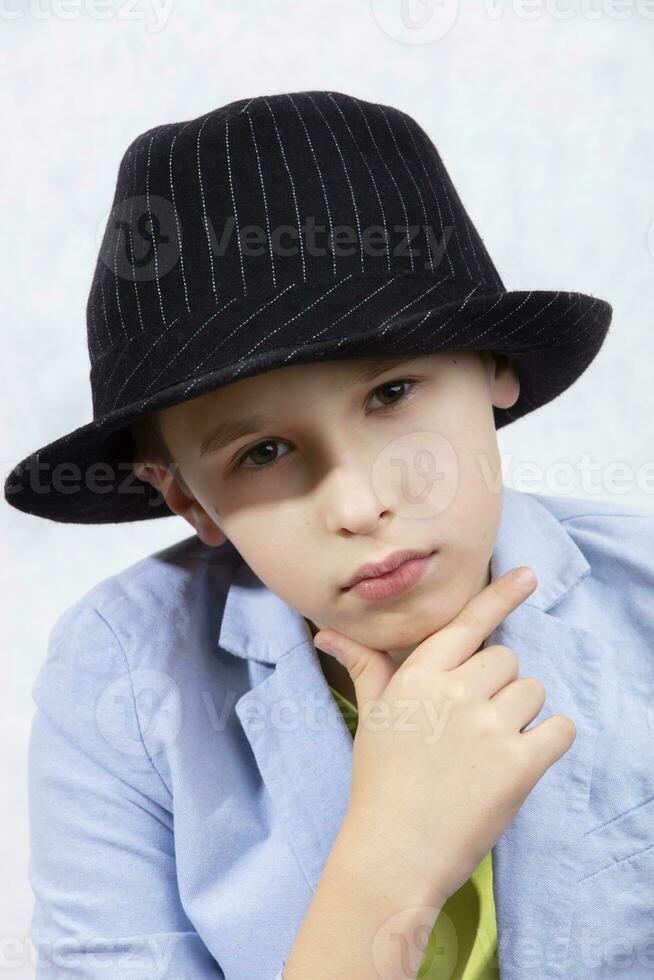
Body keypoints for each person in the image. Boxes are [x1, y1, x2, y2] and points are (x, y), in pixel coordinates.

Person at [6, 90, 653, 979]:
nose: (358, 503)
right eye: (263, 451)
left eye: (391, 394)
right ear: (188, 499)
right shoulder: (121, 684)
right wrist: (387, 868)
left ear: (495, 366)